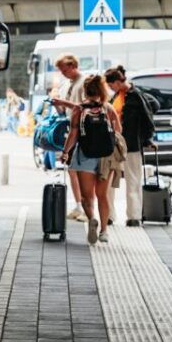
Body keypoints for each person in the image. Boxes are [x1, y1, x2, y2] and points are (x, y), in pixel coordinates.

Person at [57, 74, 121, 244]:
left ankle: (92, 217)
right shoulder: (108, 108)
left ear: (85, 90)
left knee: (87, 197)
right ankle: (104, 231)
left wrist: (65, 152)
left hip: (84, 156)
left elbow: (73, 133)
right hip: (105, 158)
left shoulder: (79, 109)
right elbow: (118, 131)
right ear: (102, 90)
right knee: (103, 195)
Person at [104, 66, 152, 227]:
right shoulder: (116, 96)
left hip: (132, 144)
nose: (110, 89)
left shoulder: (136, 95)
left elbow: (148, 117)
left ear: (118, 82)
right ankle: (109, 214)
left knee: (133, 179)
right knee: (110, 180)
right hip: (115, 144)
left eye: (111, 85)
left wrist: (145, 139)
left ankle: (134, 216)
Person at [55, 53, 87, 222]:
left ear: (73, 66)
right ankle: (79, 205)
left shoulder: (84, 82)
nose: (62, 73)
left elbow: (85, 107)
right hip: (71, 127)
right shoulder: (67, 83)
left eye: (64, 70)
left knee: (79, 170)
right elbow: (65, 109)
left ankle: (85, 207)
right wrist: (58, 105)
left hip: (81, 130)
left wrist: (63, 103)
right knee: (72, 170)